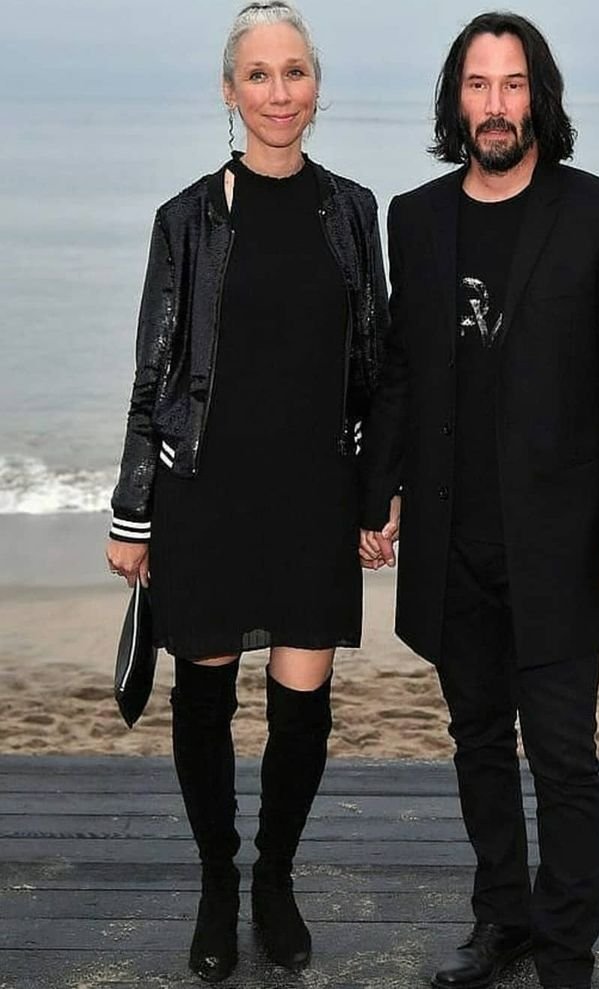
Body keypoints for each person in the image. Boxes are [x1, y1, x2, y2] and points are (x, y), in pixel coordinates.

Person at [360, 12, 599, 989]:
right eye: (480, 85)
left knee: (566, 757)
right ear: (458, 98)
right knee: (478, 739)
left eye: (515, 84)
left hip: (566, 542)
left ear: (541, 96)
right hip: (453, 538)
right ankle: (504, 921)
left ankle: (566, 948)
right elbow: (402, 369)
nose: (497, 105)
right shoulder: (416, 214)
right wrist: (382, 494)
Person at [106, 2, 387, 981]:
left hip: (314, 495)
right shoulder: (184, 220)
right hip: (206, 495)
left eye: (295, 72)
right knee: (206, 698)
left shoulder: (354, 210)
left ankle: (276, 876)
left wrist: (374, 494)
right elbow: (155, 373)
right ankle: (218, 881)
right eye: (259, 75)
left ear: (317, 86)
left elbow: (372, 369)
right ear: (231, 92)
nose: (280, 92)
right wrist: (132, 511)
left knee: (303, 704)